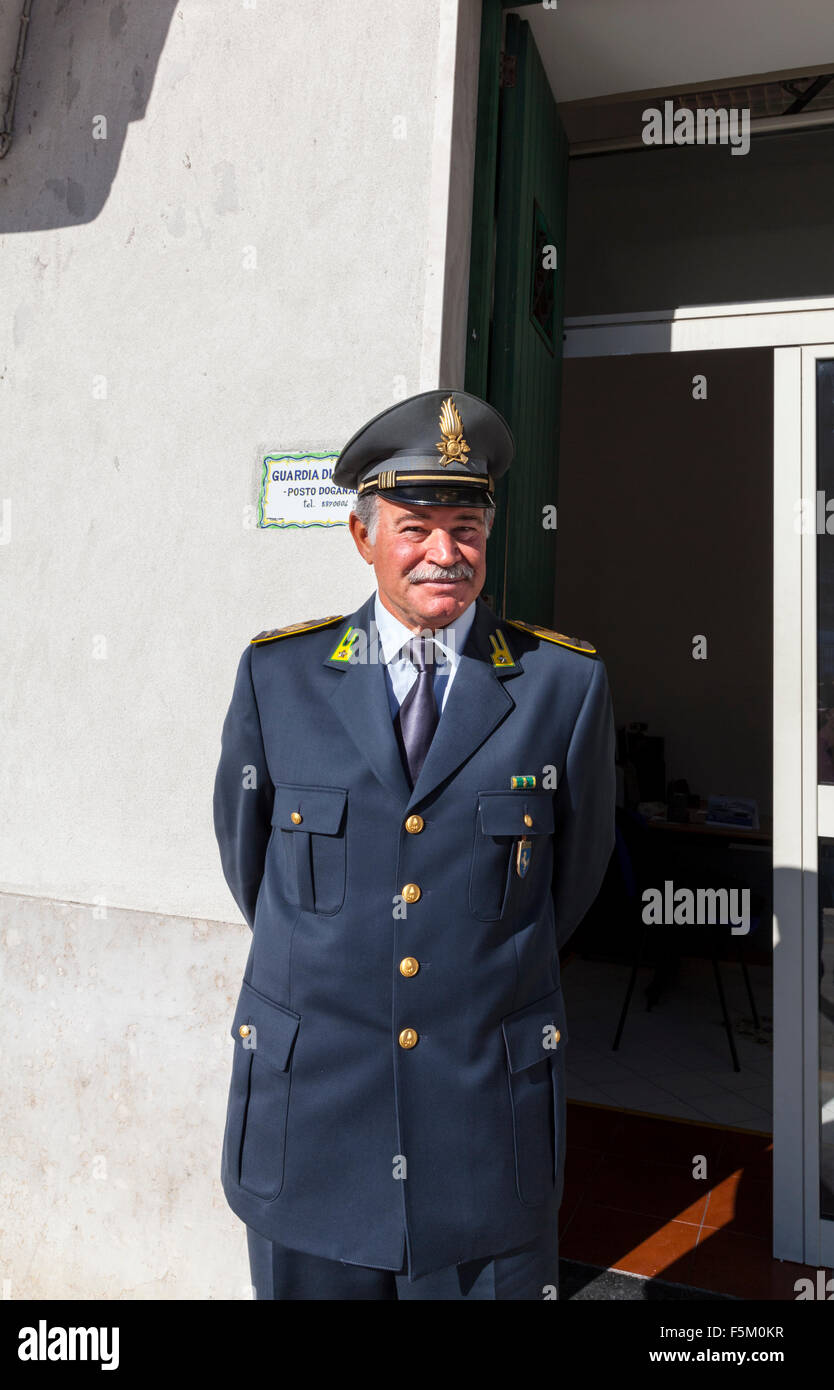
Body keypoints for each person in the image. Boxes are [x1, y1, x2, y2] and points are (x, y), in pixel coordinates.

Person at [213, 388, 616, 1300]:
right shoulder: (279, 676)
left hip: (484, 1131)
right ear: (362, 537)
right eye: (415, 526)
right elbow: (252, 867)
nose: (445, 553)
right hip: (312, 1121)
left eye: (466, 527)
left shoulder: (562, 685)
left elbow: (574, 880)